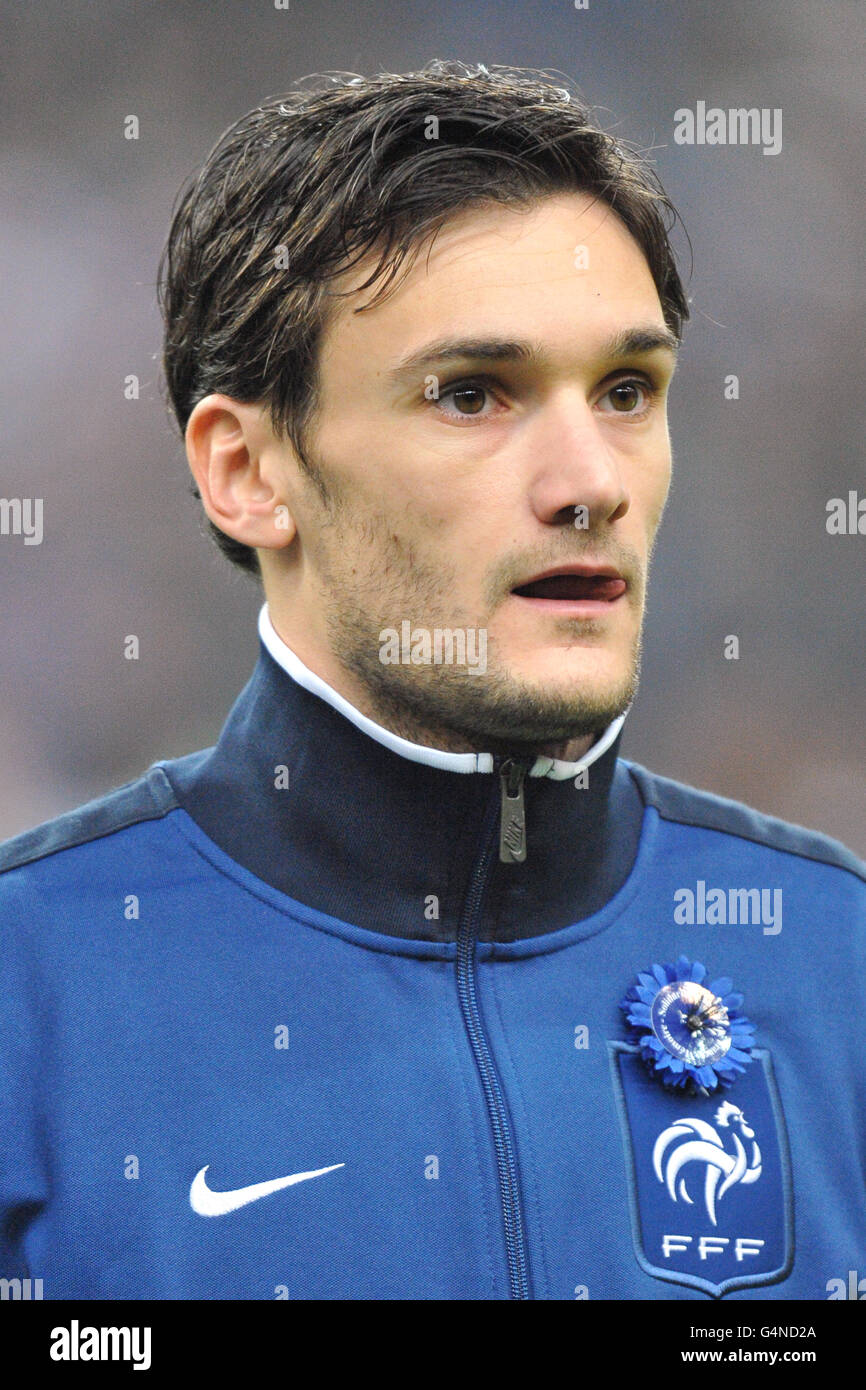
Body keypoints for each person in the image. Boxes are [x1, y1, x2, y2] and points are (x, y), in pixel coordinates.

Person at [1, 61, 863, 1302]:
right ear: (247, 471)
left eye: (626, 390)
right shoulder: (33, 988)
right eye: (471, 394)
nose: (590, 482)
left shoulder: (831, 956)